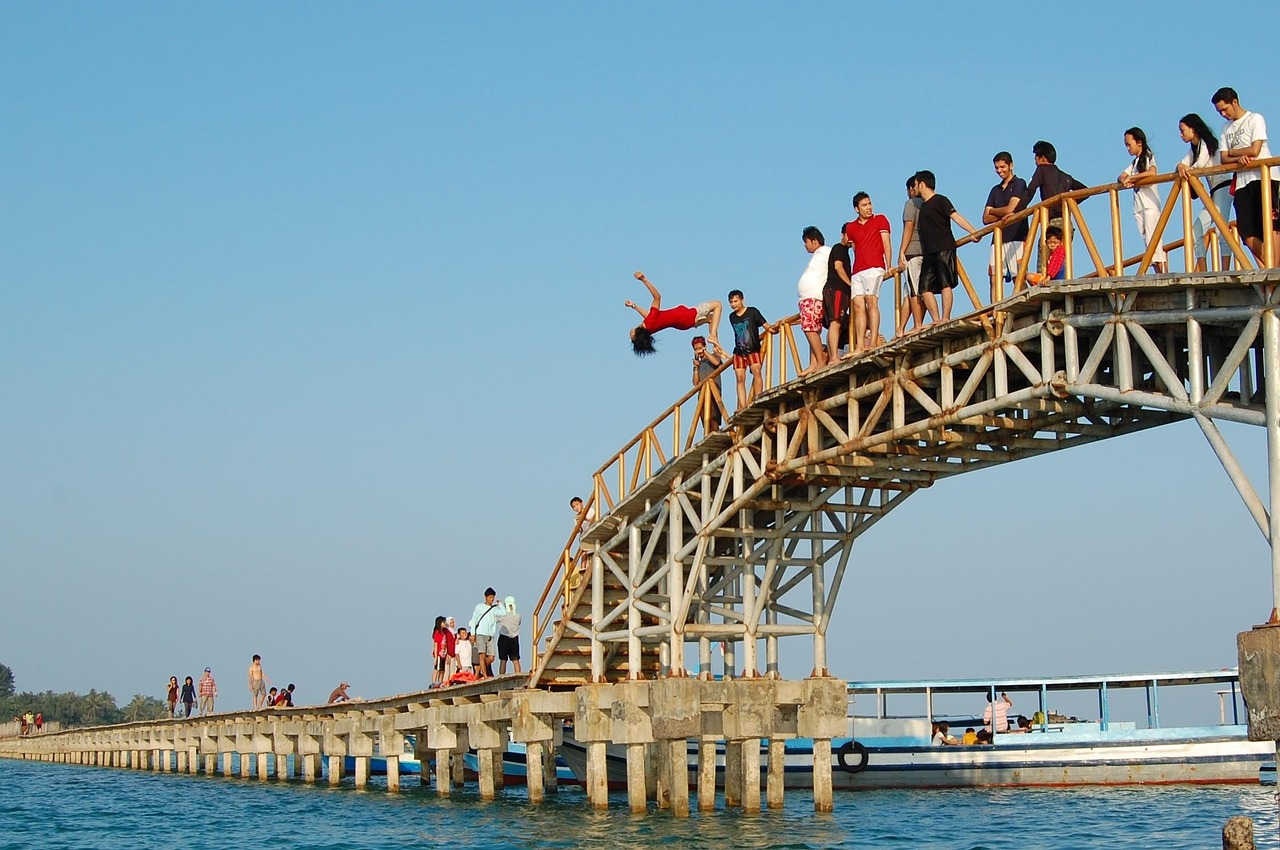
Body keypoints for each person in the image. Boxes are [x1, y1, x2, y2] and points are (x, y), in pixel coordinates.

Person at [1214, 87, 1279, 267]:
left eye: (1224, 109)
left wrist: (1233, 152)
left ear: (1234, 102)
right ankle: (1272, 266)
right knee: (1247, 232)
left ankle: (1272, 268)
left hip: (1264, 177)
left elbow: (1255, 149)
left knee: (1271, 225)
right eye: (1219, 111)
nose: (1223, 114)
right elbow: (1223, 158)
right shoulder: (1225, 128)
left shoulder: (1254, 118)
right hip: (1242, 182)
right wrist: (1236, 157)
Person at [915, 170, 981, 322]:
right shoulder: (923, 207)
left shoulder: (941, 200)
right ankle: (936, 319)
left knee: (945, 284)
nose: (916, 187)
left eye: (917, 184)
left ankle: (945, 317)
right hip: (929, 252)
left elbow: (956, 217)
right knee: (924, 288)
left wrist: (973, 231)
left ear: (922, 184)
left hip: (944, 247)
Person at [1177, 113, 1232, 272]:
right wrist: (1181, 167)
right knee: (1196, 231)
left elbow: (1199, 165)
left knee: (1222, 229)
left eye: (1183, 130)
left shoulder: (1206, 143)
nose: (1181, 134)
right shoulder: (1193, 148)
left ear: (1192, 129)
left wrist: (1186, 168)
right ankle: (1203, 270)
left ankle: (1226, 270)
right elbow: (1182, 163)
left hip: (1223, 187)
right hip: (1214, 191)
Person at [1021, 141, 1087, 273]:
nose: (1035, 161)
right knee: (1061, 257)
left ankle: (1043, 280)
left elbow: (1030, 191)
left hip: (1051, 222)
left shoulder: (1042, 170)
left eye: (1036, 158)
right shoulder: (1065, 176)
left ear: (1042, 158)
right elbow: (1084, 191)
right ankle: (1063, 279)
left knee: (1044, 256)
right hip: (1066, 223)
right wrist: (1067, 205)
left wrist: (1018, 210)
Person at [626, 271, 723, 356]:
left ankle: (716, 346)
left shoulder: (649, 328)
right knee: (717, 304)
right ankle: (713, 336)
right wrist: (644, 279)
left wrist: (634, 306)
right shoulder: (649, 322)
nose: (630, 336)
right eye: (632, 337)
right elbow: (657, 297)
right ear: (638, 333)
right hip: (686, 316)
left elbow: (648, 315)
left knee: (712, 319)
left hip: (684, 323)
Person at [844, 192, 892, 356]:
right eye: (864, 205)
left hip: (875, 266)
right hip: (858, 270)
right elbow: (855, 248)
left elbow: (887, 244)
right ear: (857, 209)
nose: (869, 208)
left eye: (870, 204)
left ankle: (872, 342)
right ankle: (859, 345)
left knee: (872, 302)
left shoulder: (880, 220)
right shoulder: (850, 227)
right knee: (858, 306)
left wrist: (888, 265)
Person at [1117, 127, 1167, 273]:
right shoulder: (1134, 162)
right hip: (1139, 205)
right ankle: (1159, 272)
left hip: (1149, 204)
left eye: (1129, 144)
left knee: (1154, 239)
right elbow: (1121, 175)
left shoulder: (1148, 155)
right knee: (1147, 239)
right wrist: (1125, 179)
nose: (1127, 148)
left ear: (1139, 142)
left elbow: (1152, 172)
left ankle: (1163, 272)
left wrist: (1133, 178)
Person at [984, 151, 1029, 287]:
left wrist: (993, 211)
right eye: (997, 167)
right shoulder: (995, 190)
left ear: (1011, 165)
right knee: (994, 278)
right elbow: (985, 218)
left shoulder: (1019, 183)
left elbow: (1011, 208)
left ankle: (1027, 307)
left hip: (1017, 236)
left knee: (1019, 277)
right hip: (998, 238)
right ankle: (996, 309)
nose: (999, 170)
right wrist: (1001, 212)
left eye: (1002, 167)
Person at [726, 290, 772, 408]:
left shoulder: (752, 312)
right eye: (731, 302)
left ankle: (758, 398)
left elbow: (765, 325)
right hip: (739, 351)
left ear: (742, 300)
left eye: (735, 301)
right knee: (740, 377)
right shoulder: (731, 317)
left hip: (753, 349)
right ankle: (742, 405)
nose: (733, 304)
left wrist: (775, 328)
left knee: (756, 371)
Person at [797, 226, 832, 375]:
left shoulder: (825, 252)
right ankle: (813, 363)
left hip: (813, 296)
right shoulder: (818, 255)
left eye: (806, 242)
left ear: (814, 240)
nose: (805, 245)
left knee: (810, 329)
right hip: (808, 297)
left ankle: (819, 362)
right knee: (811, 328)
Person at [897, 175, 926, 335]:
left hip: (913, 251)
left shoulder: (911, 203)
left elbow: (908, 227)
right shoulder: (926, 204)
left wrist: (901, 251)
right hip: (924, 251)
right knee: (908, 291)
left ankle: (917, 324)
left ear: (911, 189)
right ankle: (901, 328)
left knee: (914, 290)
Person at [824, 227, 853, 361]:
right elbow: (838, 267)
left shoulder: (845, 251)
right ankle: (834, 357)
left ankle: (834, 356)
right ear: (843, 234)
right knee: (835, 322)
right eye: (849, 235)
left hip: (839, 290)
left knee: (837, 322)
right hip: (837, 289)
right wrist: (851, 284)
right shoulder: (839, 248)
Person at [690, 335, 725, 429]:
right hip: (702, 395)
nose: (698, 350)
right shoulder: (699, 364)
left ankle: (717, 434)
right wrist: (696, 367)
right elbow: (695, 383)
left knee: (713, 418)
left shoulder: (713, 356)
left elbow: (717, 362)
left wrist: (705, 351)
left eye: (700, 348)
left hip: (713, 392)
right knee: (705, 420)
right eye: (696, 349)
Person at [469, 587, 503, 679]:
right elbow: (474, 620)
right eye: (490, 597)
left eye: (492, 597)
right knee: (482, 655)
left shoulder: (494, 609)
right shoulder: (479, 607)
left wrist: (500, 604)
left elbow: (503, 613)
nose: (491, 599)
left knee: (491, 657)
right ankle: (484, 675)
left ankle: (479, 669)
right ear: (486, 597)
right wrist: (473, 633)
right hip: (480, 634)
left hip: (490, 635)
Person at [496, 596, 522, 675]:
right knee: (516, 660)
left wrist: (499, 606)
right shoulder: (518, 615)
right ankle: (518, 676)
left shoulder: (502, 615)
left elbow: (495, 619)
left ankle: (501, 676)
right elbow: (519, 623)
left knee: (503, 660)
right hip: (514, 638)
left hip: (504, 637)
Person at [432, 615, 455, 687]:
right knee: (437, 670)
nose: (445, 624)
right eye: (443, 622)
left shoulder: (443, 632)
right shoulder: (437, 632)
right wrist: (436, 657)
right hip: (439, 653)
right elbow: (435, 645)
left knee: (442, 670)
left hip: (444, 654)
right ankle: (433, 683)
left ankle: (440, 683)